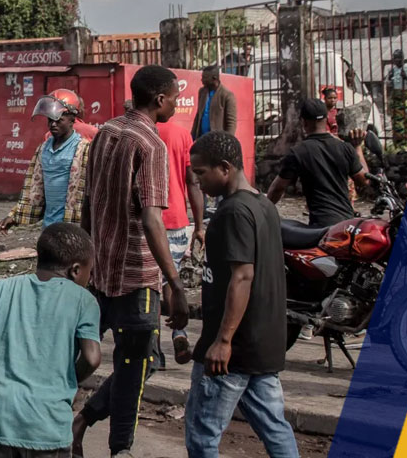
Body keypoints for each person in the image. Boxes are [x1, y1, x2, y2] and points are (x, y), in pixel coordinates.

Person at [72, 65, 188, 458]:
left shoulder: (105, 131)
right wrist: (175, 283)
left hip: (100, 272)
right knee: (137, 365)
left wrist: (86, 259)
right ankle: (118, 446)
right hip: (137, 278)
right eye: (174, 98)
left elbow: (88, 202)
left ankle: (74, 423)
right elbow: (153, 219)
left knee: (116, 361)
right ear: (160, 99)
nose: (176, 105)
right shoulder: (151, 144)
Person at [186, 131, 297, 458]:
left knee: (202, 435)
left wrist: (223, 340)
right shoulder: (263, 205)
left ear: (224, 167)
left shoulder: (234, 212)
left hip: (232, 351)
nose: (198, 182)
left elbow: (243, 275)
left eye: (201, 173)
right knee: (275, 429)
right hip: (259, 347)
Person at [0, 223, 101, 458]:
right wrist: (66, 381)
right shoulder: (84, 301)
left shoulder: (2, 288)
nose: (90, 279)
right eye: (91, 272)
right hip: (48, 431)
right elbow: (92, 358)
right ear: (76, 270)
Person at [0, 90, 92, 234]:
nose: (53, 124)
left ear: (72, 120)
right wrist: (14, 216)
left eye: (59, 120)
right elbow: (33, 188)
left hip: (74, 227)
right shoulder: (43, 149)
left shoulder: (84, 149)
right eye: (50, 120)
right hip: (49, 226)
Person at [267, 98, 369, 227]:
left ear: (304, 122)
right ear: (326, 119)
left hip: (320, 224)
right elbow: (364, 180)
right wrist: (358, 147)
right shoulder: (345, 148)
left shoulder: (298, 152)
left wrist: (264, 209)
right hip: (345, 223)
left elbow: (278, 188)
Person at [155, 116, 205, 365]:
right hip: (176, 221)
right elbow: (192, 181)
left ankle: (154, 349)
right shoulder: (182, 134)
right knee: (170, 277)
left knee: (150, 286)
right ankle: (179, 333)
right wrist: (199, 226)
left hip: (148, 221)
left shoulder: (138, 132)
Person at [192, 66, 237, 140]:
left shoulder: (227, 95)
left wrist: (228, 141)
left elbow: (231, 122)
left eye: (205, 77)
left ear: (214, 78)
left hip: (217, 140)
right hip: (202, 138)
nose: (202, 80)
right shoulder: (202, 92)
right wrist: (192, 136)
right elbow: (198, 115)